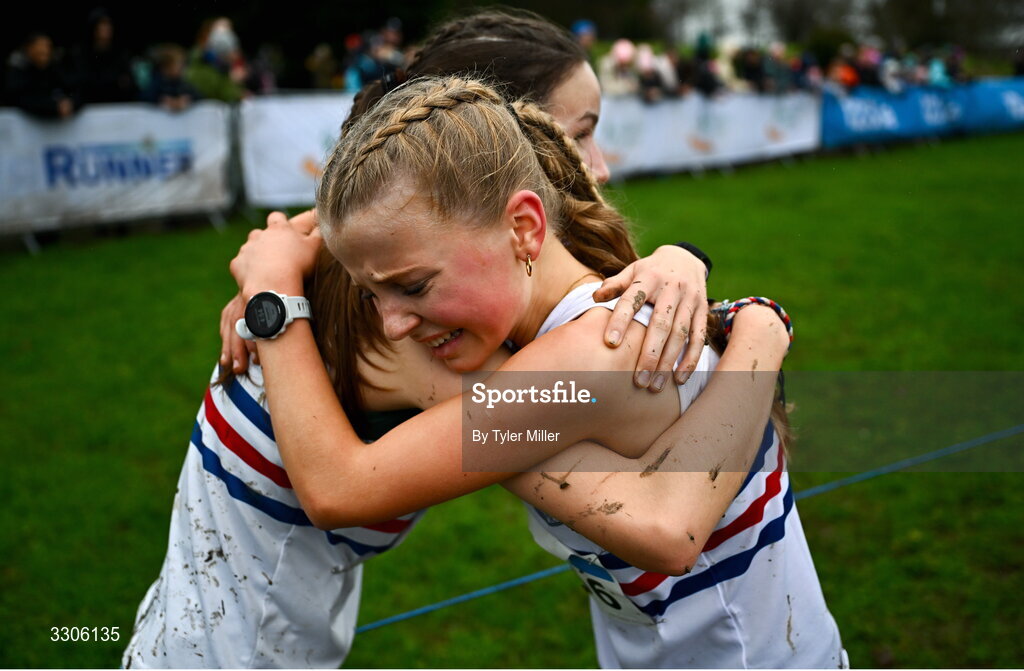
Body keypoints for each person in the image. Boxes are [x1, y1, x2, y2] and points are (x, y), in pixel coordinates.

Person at [122, 10, 724, 668]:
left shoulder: (366, 266)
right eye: (577, 135)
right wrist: (755, 330)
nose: (598, 168)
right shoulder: (414, 323)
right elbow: (657, 521)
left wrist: (683, 258)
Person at [227, 75, 845, 668]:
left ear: (524, 227)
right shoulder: (575, 336)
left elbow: (339, 490)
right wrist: (759, 319)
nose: (392, 326)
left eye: (412, 286)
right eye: (372, 296)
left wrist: (274, 295)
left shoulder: (595, 354)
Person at [3, 32, 79, 119]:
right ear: (28, 48)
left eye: (47, 46)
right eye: (39, 46)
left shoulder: (56, 70)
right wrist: (53, 107)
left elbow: (76, 89)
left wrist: (70, 103)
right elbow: (19, 98)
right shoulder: (18, 71)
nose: (44, 50)